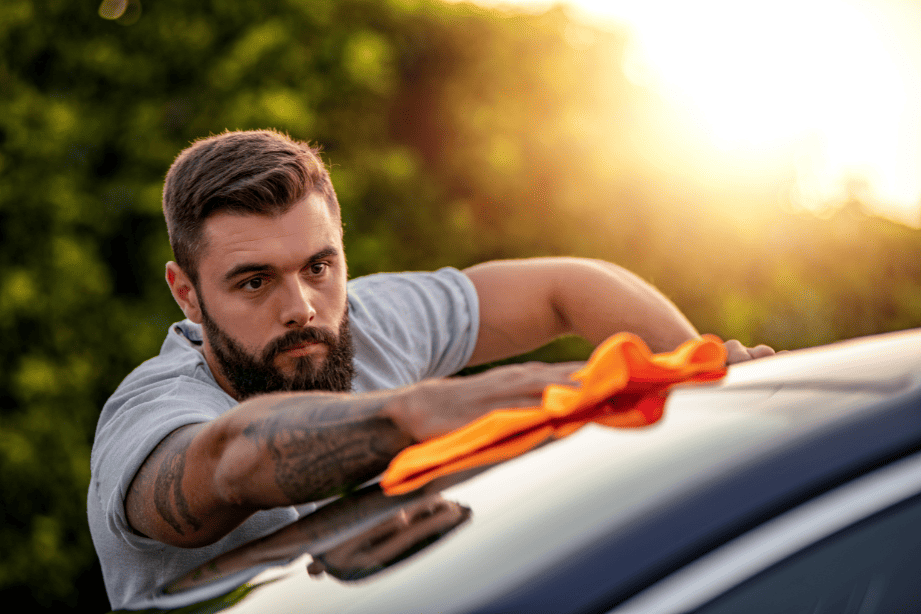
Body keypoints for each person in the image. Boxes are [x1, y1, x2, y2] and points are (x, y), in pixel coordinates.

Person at [88, 129, 775, 610]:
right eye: (253, 282)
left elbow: (570, 284)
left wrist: (711, 394)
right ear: (186, 292)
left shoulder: (367, 320)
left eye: (318, 267)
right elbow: (230, 458)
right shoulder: (151, 411)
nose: (300, 308)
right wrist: (405, 417)